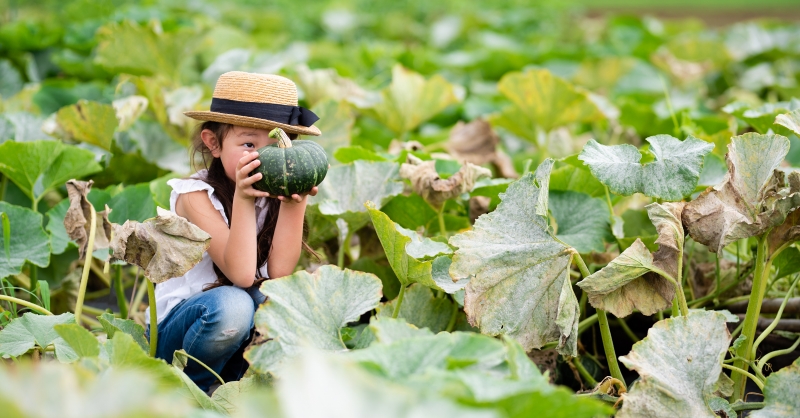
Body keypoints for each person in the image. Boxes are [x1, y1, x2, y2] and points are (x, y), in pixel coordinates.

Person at [145, 71, 323, 392]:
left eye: (275, 145)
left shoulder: (272, 190)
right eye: (248, 143)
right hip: (175, 336)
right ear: (213, 143)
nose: (261, 157)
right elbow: (241, 275)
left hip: (228, 340)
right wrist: (242, 197)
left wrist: (296, 202)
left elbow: (279, 275)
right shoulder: (194, 196)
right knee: (234, 305)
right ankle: (190, 392)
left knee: (275, 299)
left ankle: (233, 387)